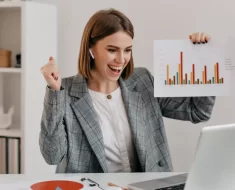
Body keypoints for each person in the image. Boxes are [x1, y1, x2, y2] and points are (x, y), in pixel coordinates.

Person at [39, 8, 215, 173]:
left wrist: (202, 61)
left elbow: (198, 112)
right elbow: (52, 155)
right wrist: (54, 92)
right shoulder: (66, 92)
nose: (121, 60)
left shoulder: (143, 81)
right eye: (112, 50)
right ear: (91, 48)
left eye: (127, 50)